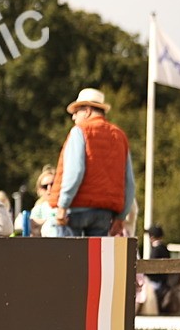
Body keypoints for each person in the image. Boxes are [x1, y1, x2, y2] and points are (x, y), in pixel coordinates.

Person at [48, 88, 136, 237]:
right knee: (95, 260)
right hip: (104, 214)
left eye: (76, 112)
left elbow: (75, 171)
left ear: (87, 111)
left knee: (68, 258)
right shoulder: (120, 136)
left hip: (74, 210)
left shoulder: (80, 131)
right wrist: (121, 218)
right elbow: (130, 183)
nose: (73, 117)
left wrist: (63, 205)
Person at [27, 166, 57, 237]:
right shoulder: (38, 209)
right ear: (39, 190)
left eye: (53, 184)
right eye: (45, 186)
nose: (49, 188)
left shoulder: (66, 207)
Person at [147, 224, 171, 304]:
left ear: (152, 237)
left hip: (156, 281)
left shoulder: (156, 250)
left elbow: (150, 268)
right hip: (165, 281)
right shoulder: (165, 248)